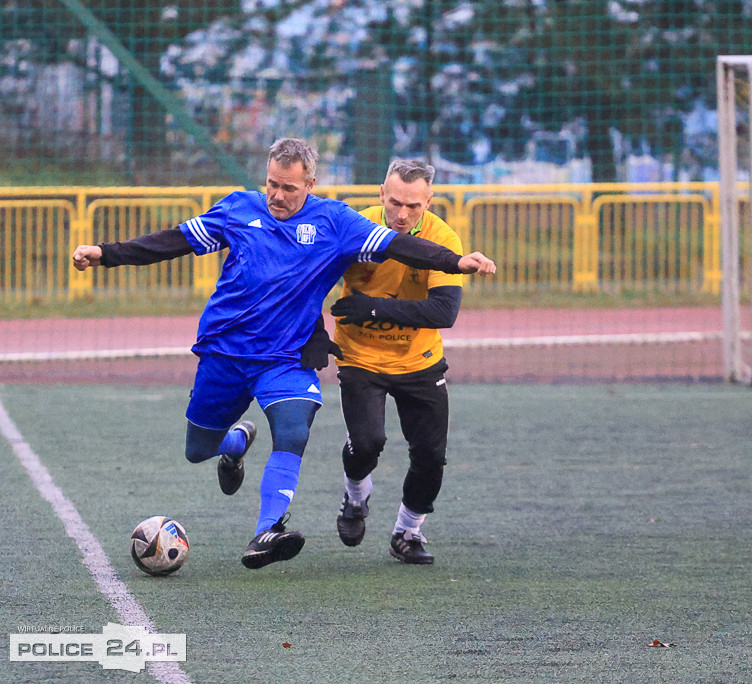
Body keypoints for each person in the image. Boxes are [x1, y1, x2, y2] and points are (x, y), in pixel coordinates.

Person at [72, 138, 496, 570]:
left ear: (310, 184)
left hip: (286, 358)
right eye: (272, 184)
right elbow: (173, 241)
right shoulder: (238, 208)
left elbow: (399, 246)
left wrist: (456, 262)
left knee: (293, 430)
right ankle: (235, 443)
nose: (277, 195)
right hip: (225, 352)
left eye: (289, 188)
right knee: (198, 449)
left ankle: (267, 530)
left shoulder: (335, 222)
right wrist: (105, 254)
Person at [300, 159, 461, 565]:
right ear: (381, 195)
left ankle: (408, 532)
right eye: (395, 203)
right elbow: (309, 283)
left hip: (420, 360)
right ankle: (356, 497)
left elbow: (444, 312)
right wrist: (314, 332)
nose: (402, 214)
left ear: (429, 202)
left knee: (430, 456)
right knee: (368, 443)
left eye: (413, 206)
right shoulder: (355, 227)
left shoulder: (443, 238)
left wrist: (372, 308)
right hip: (360, 356)